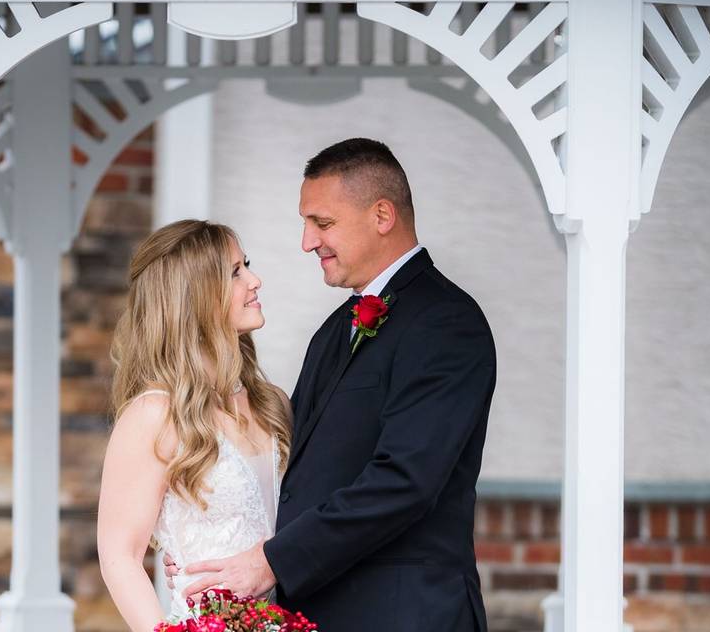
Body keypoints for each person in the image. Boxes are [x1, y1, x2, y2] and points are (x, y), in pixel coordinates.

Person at [171, 138, 497, 631]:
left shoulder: (446, 322)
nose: (307, 242)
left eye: (322, 223)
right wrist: (218, 550)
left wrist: (271, 563)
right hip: (323, 610)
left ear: (382, 215)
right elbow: (297, 470)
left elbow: (405, 480)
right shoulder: (334, 329)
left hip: (405, 614)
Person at [96, 220, 292, 631]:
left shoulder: (272, 404)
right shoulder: (153, 415)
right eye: (235, 272)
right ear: (195, 296)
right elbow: (120, 556)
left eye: (247, 266)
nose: (254, 281)